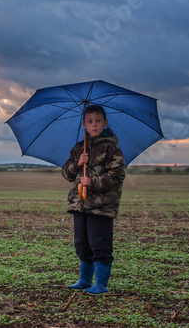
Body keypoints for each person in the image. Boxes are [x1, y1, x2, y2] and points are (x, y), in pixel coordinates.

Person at [62, 104, 126, 295]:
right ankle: (84, 280)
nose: (94, 124)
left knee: (99, 243)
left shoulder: (111, 148)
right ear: (84, 125)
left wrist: (93, 182)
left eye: (98, 121)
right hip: (79, 204)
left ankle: (101, 284)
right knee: (82, 243)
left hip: (101, 206)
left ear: (105, 123)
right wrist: (77, 163)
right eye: (90, 121)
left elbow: (117, 176)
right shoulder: (78, 149)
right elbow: (66, 174)